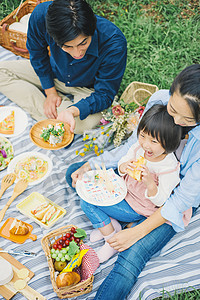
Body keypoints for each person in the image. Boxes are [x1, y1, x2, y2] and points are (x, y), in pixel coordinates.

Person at [66, 64, 200, 299]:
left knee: (130, 256)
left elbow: (181, 199)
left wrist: (138, 232)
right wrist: (93, 165)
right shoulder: (158, 100)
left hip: (171, 198)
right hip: (141, 177)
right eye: (172, 109)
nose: (175, 121)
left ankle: (133, 222)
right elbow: (134, 147)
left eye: (186, 119)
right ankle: (127, 217)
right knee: (75, 174)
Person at [80, 104, 192, 263]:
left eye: (153, 141)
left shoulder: (168, 168)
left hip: (138, 206)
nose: (146, 144)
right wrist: (123, 166)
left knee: (87, 202)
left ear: (169, 143)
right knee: (88, 192)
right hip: (122, 191)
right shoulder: (139, 148)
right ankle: (111, 226)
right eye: (143, 136)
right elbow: (123, 161)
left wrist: (150, 183)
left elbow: (161, 202)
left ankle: (111, 239)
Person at [0, 0, 127, 134]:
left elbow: (104, 94)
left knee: (82, 125)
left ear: (92, 28)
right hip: (54, 73)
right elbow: (37, 53)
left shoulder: (114, 42)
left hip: (87, 89)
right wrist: (50, 91)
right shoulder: (41, 16)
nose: (77, 53)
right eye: (67, 46)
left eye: (83, 43)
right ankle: (57, 115)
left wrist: (72, 110)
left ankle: (57, 115)